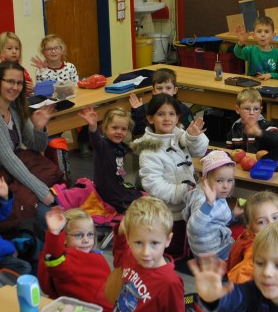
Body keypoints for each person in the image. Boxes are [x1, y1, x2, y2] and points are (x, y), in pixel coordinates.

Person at [0, 61, 59, 237]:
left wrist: (39, 129)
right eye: (10, 81)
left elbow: (36, 147)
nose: (15, 87)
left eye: (19, 83)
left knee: (52, 185)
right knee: (41, 209)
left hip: (10, 173)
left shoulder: (15, 108)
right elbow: (9, 160)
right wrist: (42, 192)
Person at [105, 197, 185, 312]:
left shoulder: (170, 283)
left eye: (154, 243)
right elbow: (119, 259)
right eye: (139, 243)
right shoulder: (131, 256)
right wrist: (121, 234)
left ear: (168, 240)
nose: (146, 253)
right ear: (129, 239)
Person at [132, 93, 208, 235]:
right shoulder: (149, 151)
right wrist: (182, 191)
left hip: (190, 204)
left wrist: (194, 137)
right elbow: (154, 185)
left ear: (177, 117)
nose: (167, 119)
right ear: (150, 118)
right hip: (169, 215)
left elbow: (199, 151)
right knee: (178, 248)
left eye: (172, 114)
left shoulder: (179, 135)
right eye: (161, 114)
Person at [39, 208, 111, 312]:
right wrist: (54, 234)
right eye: (79, 235)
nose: (86, 240)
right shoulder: (69, 259)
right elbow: (56, 262)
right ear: (63, 238)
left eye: (90, 234)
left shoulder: (92, 256)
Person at [30, 33, 88, 158]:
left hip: (72, 101)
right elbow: (41, 91)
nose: (53, 51)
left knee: (86, 111)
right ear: (44, 52)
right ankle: (56, 143)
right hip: (54, 105)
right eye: (49, 49)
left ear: (62, 50)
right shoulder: (41, 70)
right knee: (56, 123)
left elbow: (76, 86)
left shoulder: (69, 67)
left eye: (56, 48)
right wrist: (43, 70)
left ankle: (83, 141)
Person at [78, 105, 143, 213]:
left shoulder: (121, 145)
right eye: (114, 128)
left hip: (118, 186)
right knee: (135, 206)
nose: (119, 132)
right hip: (108, 192)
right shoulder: (102, 145)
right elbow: (95, 139)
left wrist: (137, 111)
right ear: (105, 128)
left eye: (123, 129)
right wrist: (93, 126)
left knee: (139, 195)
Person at [184, 149, 241, 259]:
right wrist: (208, 204)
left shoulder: (218, 192)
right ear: (205, 179)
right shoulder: (203, 201)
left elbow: (216, 219)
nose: (226, 186)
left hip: (216, 241)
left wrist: (233, 215)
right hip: (212, 253)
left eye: (230, 180)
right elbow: (194, 228)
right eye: (219, 181)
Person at [226, 191, 278, 285]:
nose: (271, 224)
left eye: (275, 217)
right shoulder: (257, 252)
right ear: (250, 227)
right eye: (261, 222)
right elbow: (241, 278)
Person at [129, 68, 193, 136]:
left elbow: (188, 134)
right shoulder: (146, 109)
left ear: (175, 90)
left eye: (168, 88)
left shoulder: (184, 110)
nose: (164, 92)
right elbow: (137, 132)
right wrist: (138, 111)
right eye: (159, 88)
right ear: (153, 91)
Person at [225, 88, 278, 160]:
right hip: (242, 167)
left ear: (260, 110)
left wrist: (260, 133)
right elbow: (230, 151)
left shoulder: (266, 126)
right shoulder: (235, 127)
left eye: (256, 109)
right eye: (247, 109)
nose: (252, 113)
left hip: (263, 166)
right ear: (237, 110)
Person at [233, 16, 278, 81]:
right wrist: (240, 42)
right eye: (259, 31)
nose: (262, 35)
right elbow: (238, 53)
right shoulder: (251, 50)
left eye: (266, 32)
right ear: (254, 35)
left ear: (273, 35)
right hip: (252, 86)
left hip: (272, 87)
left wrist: (270, 75)